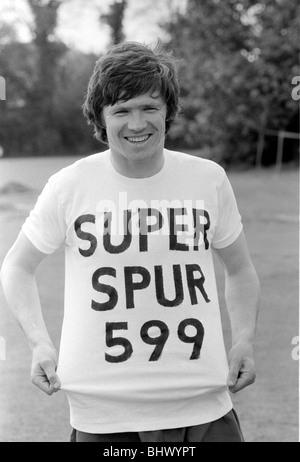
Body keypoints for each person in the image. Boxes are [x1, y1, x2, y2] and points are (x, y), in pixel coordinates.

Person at [0, 41, 260, 443]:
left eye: (148, 108)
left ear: (167, 111)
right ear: (101, 118)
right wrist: (39, 343)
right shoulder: (70, 185)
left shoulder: (207, 178)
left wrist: (243, 338)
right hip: (102, 414)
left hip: (204, 405)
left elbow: (240, 268)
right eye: (121, 110)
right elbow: (17, 266)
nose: (136, 124)